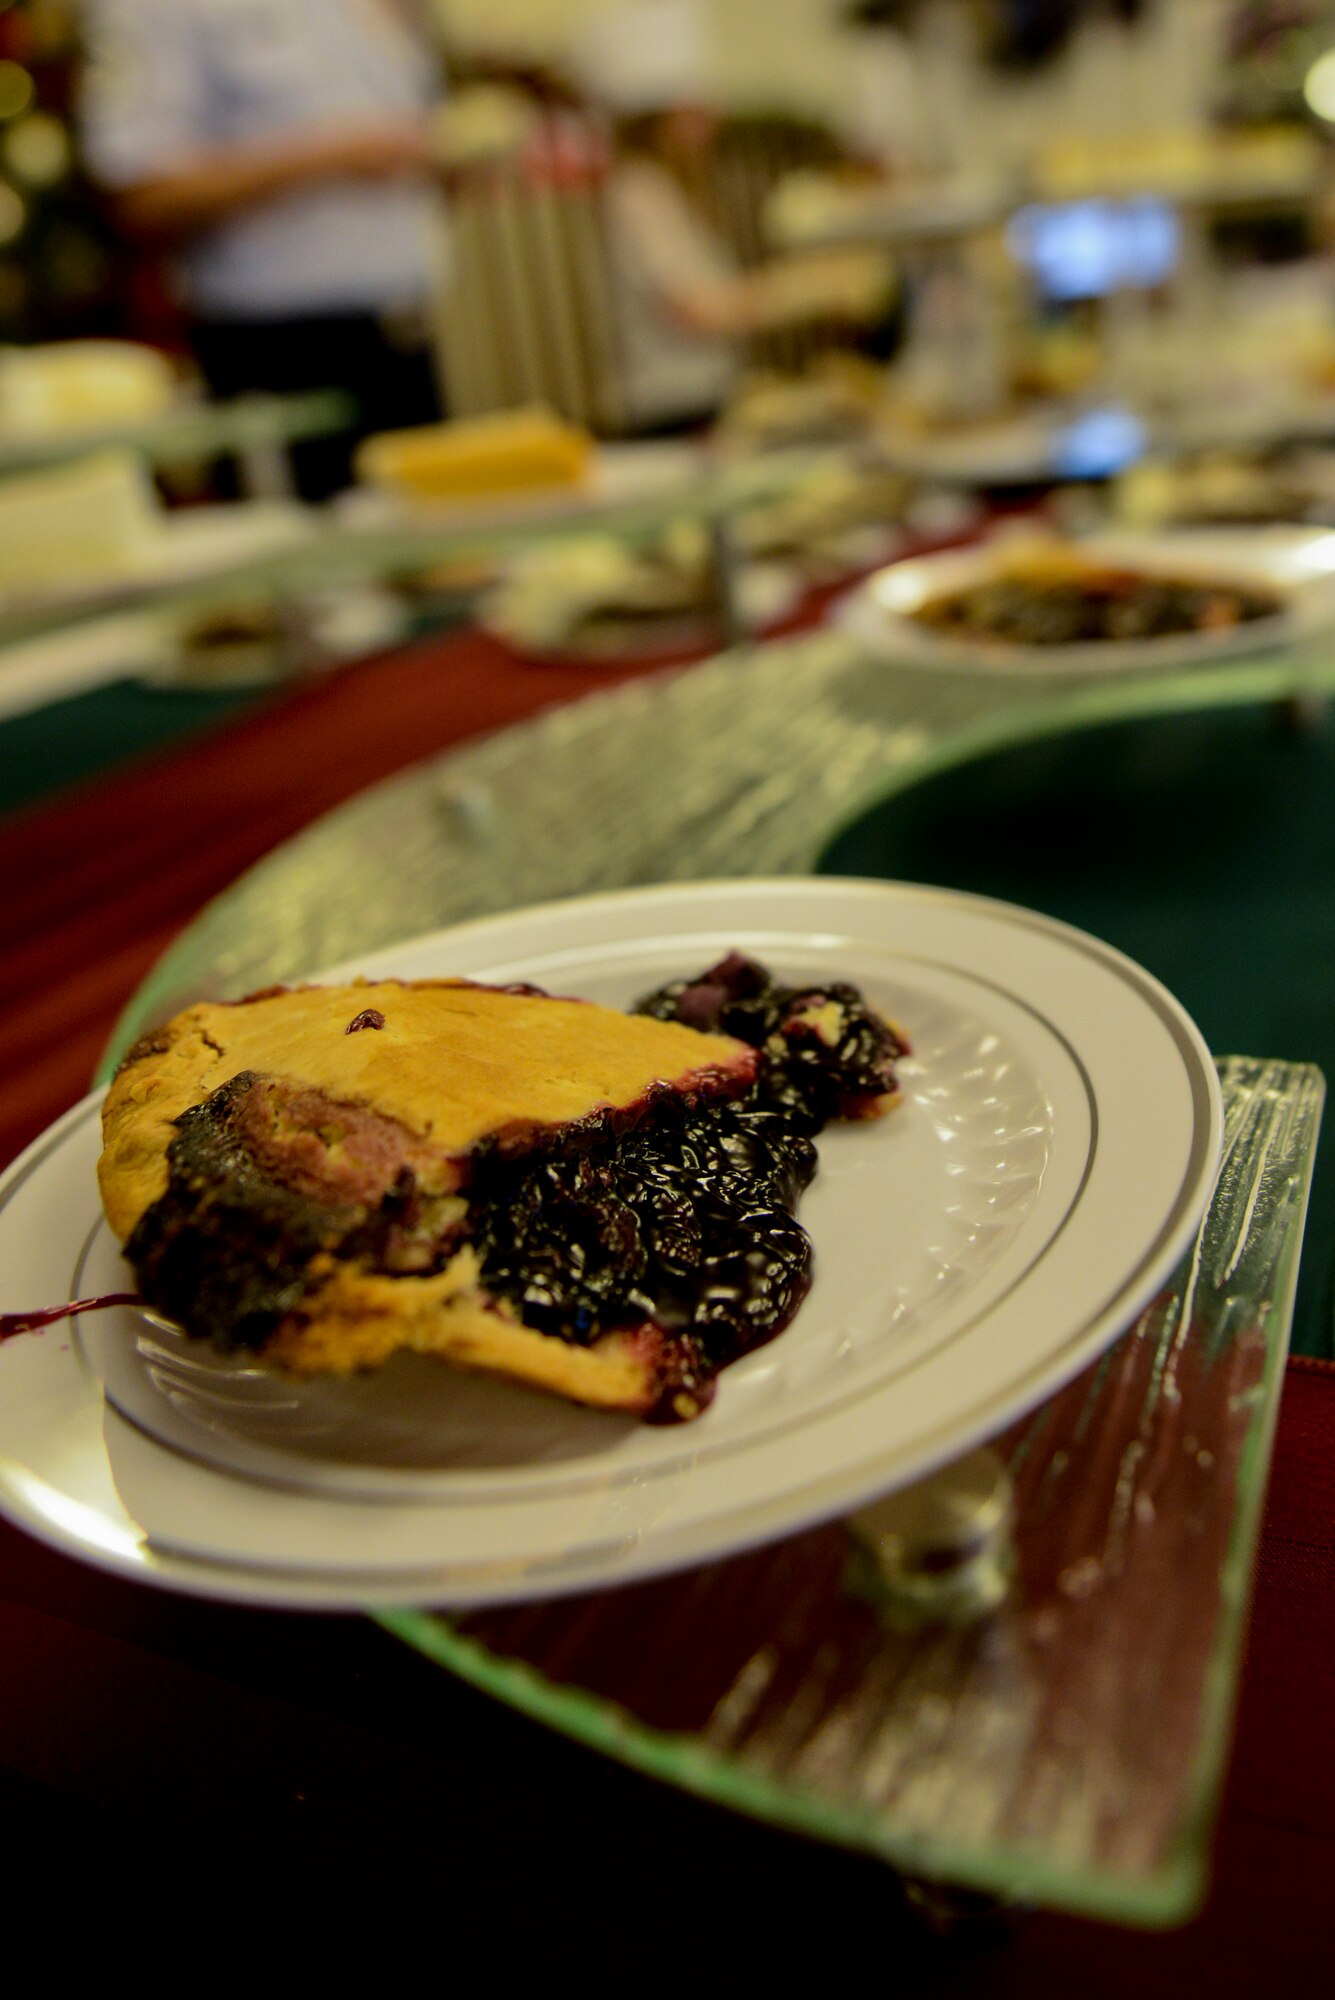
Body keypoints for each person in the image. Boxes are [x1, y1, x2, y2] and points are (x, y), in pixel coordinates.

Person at [79, 0, 449, 497]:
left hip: (403, 338)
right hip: (280, 356)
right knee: (313, 566)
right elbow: (141, 193)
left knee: (432, 552)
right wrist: (331, 156)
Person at [575, 0, 896, 435]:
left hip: (712, 396)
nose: (710, 123)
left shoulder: (672, 190)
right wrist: (802, 289)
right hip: (673, 411)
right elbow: (696, 312)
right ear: (655, 122)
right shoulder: (638, 191)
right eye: (691, 112)